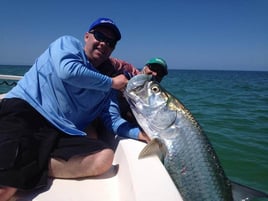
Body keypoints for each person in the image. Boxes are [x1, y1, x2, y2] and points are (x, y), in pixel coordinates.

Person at [0, 17, 147, 201]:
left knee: (104, 157)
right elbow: (67, 71)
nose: (103, 43)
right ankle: (25, 163)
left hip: (60, 132)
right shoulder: (67, 45)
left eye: (110, 42)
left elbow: (113, 121)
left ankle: (31, 162)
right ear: (87, 36)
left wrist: (143, 135)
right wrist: (112, 82)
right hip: (26, 112)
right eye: (100, 36)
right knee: (5, 189)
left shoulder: (106, 89)